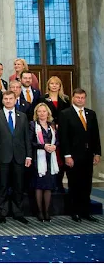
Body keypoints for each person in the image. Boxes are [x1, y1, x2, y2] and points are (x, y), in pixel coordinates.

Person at [0, 90, 32, 225]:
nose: (8, 101)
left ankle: (18, 212)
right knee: (2, 186)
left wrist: (29, 155)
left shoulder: (23, 116)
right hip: (2, 156)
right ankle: (2, 213)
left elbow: (27, 138)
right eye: (5, 99)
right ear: (3, 100)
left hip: (19, 156)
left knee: (18, 186)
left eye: (10, 98)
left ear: (15, 100)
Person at [58, 88, 101, 222]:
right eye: (77, 97)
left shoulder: (91, 114)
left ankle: (86, 211)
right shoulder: (65, 114)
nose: (80, 100)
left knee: (87, 184)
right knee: (74, 184)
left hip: (88, 155)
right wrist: (67, 155)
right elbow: (63, 137)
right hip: (73, 155)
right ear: (73, 98)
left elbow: (95, 135)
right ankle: (74, 211)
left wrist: (97, 152)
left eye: (82, 98)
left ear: (85, 99)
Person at [30, 103, 59, 222]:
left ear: (48, 113)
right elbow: (30, 141)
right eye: (39, 111)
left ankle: (47, 211)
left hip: (50, 158)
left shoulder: (52, 126)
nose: (42, 113)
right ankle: (40, 212)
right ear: (36, 113)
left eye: (44, 111)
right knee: (39, 186)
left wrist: (54, 146)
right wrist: (43, 146)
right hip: (38, 158)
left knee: (48, 186)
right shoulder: (33, 125)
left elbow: (58, 140)